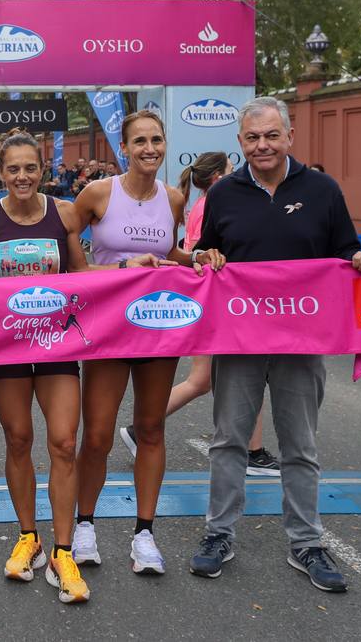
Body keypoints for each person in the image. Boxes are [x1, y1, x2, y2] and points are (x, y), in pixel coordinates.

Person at [188, 97, 361, 594]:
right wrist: (204, 257)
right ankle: (219, 535)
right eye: (252, 138)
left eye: (271, 136)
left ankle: (306, 542)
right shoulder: (225, 193)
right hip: (240, 338)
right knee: (229, 440)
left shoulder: (322, 189)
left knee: (300, 446)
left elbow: (345, 250)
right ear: (240, 143)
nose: (263, 146)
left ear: (290, 136)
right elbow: (208, 253)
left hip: (302, 341)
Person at [70, 113, 225, 578]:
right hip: (107, 326)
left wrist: (198, 257)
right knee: (97, 434)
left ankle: (144, 534)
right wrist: (115, 272)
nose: (149, 148)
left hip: (156, 323)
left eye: (156, 140)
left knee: (151, 428)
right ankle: (84, 525)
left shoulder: (174, 197)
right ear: (125, 146)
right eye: (140, 141)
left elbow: (173, 252)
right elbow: (69, 256)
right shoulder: (98, 194)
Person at [0, 133, 91, 604]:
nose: (22, 176)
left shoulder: (64, 213)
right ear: (1, 173)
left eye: (30, 168)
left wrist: (131, 269)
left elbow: (80, 274)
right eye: (13, 169)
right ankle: (27, 536)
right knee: (18, 439)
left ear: (43, 170)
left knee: (63, 442)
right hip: (11, 346)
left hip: (58, 344)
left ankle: (63, 551)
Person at [120, 151, 280, 475]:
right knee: (247, 368)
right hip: (218, 297)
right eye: (233, 170)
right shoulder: (217, 202)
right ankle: (253, 450)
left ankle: (142, 428)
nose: (239, 175)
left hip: (208, 295)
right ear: (219, 177)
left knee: (204, 379)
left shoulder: (202, 204)